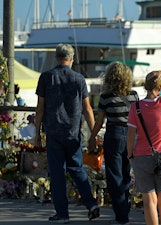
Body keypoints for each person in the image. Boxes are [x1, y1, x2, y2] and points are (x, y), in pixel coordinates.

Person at [34, 43, 100, 224]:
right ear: (72, 59)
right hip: (73, 133)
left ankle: (62, 214)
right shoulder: (79, 79)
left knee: (57, 174)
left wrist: (37, 133)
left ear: (57, 57)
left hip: (54, 132)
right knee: (77, 170)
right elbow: (87, 109)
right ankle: (91, 204)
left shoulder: (46, 77)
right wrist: (93, 135)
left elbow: (40, 109)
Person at [88, 62, 137, 225]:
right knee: (125, 174)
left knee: (114, 176)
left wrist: (92, 137)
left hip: (114, 135)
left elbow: (99, 121)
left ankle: (122, 215)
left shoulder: (105, 97)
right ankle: (125, 209)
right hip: (131, 135)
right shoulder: (134, 95)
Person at [126, 70, 161, 225]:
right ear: (160, 89)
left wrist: (130, 156)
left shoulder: (136, 107)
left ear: (145, 87)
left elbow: (131, 135)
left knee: (149, 200)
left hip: (141, 157)